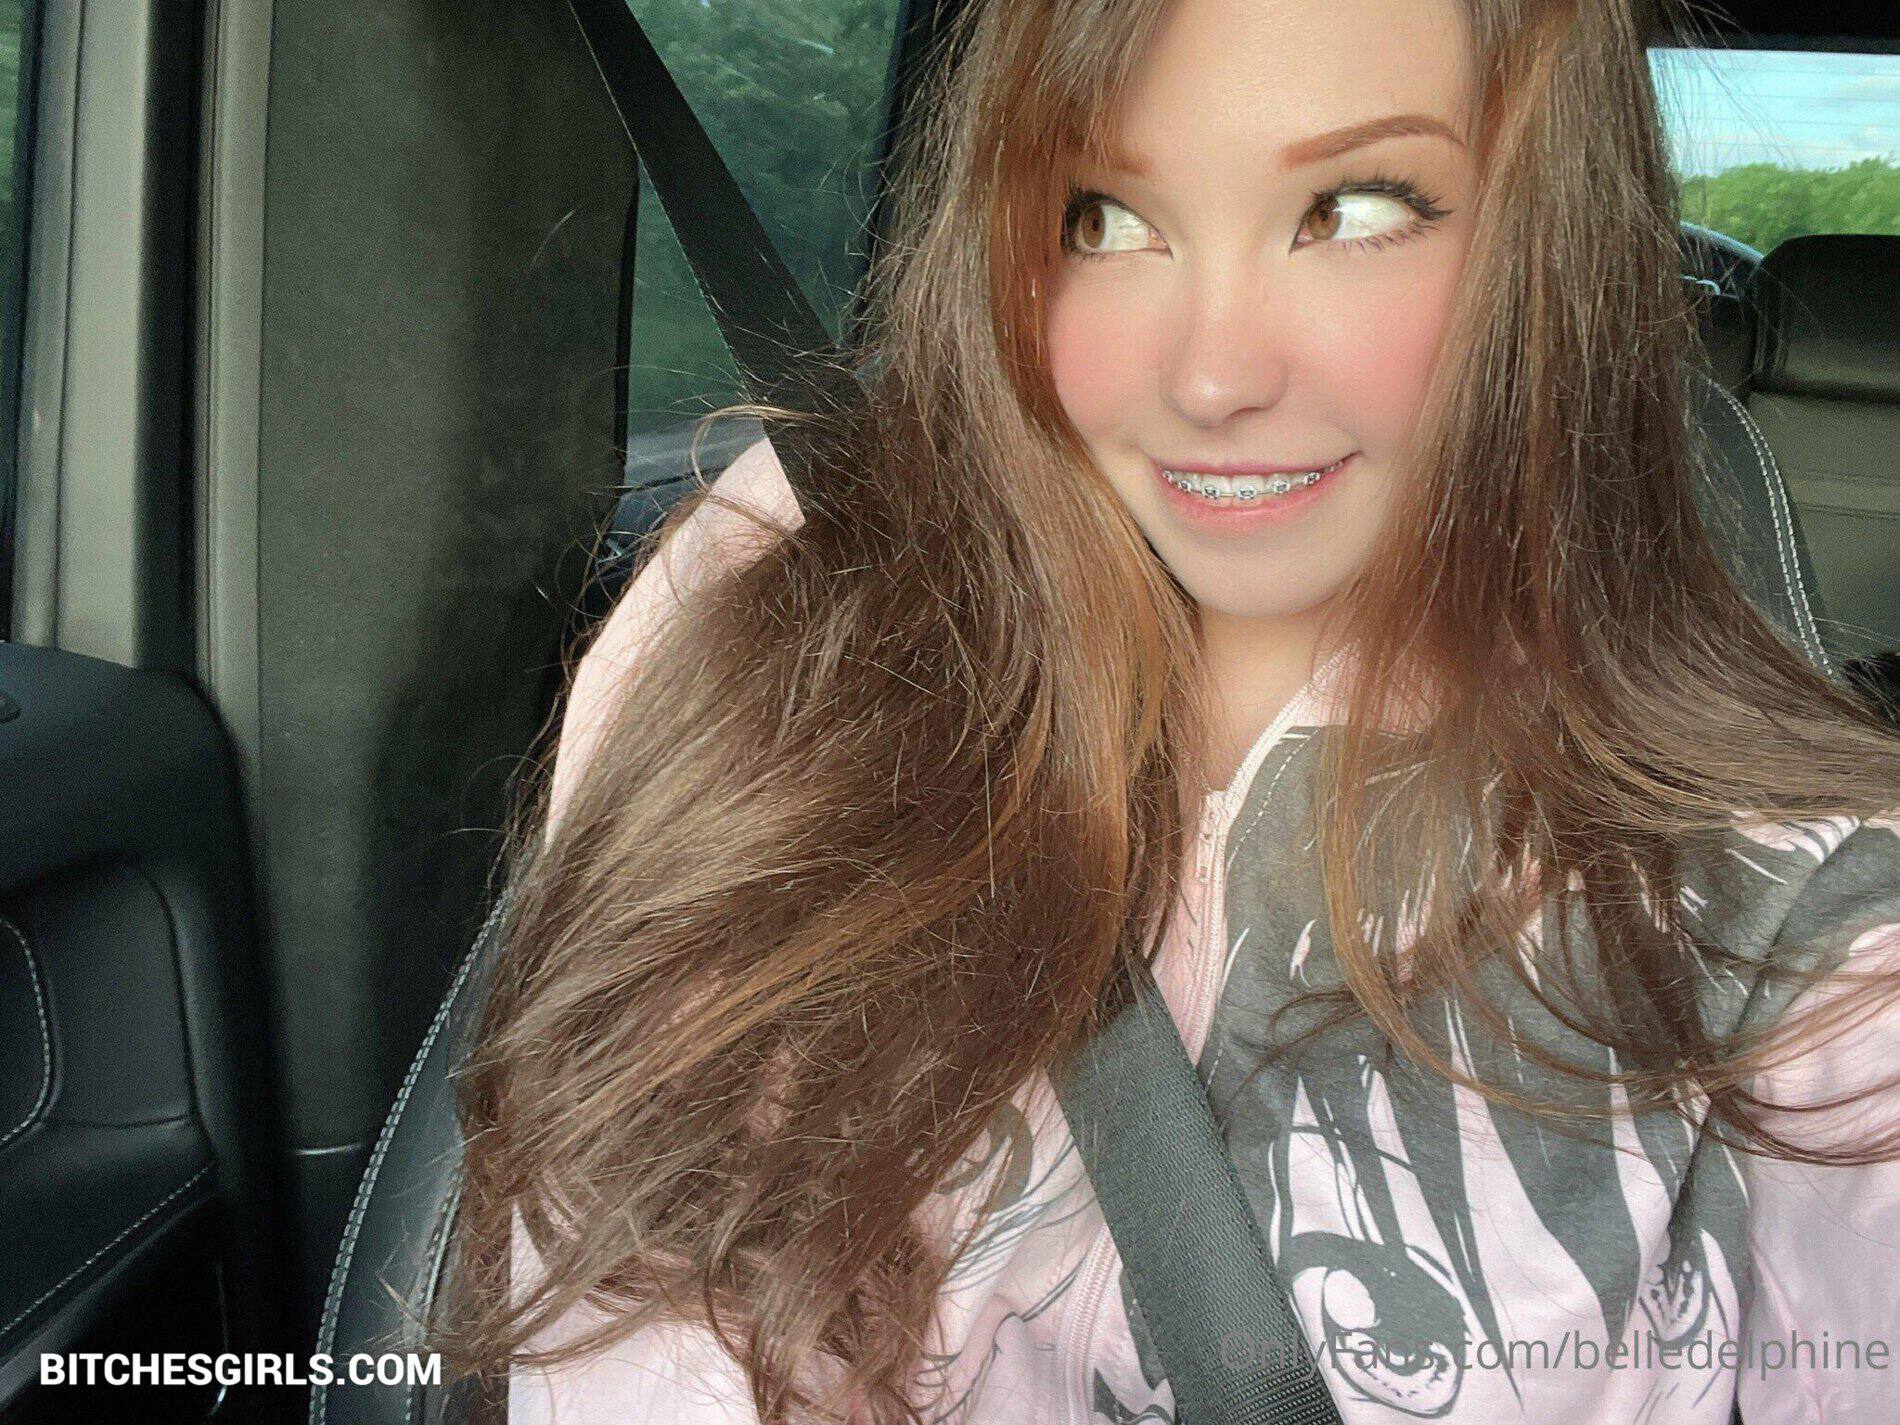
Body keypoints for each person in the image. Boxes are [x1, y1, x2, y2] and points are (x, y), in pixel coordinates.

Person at [427, 0, 1900, 1421]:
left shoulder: (1786, 909)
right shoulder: (792, 610)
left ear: (1548, 244)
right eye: (1104, 218)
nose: (1209, 378)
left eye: (1352, 210)